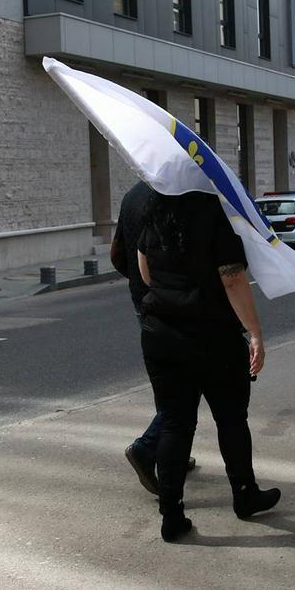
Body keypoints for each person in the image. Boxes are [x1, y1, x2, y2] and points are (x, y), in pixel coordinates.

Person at [135, 190, 280, 542]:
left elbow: (144, 269)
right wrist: (255, 332)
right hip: (213, 334)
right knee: (231, 418)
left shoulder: (153, 206)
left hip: (161, 332)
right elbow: (231, 278)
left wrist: (173, 297)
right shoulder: (214, 209)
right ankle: (245, 493)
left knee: (174, 422)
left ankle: (172, 514)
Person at [110, 180, 195, 494]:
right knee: (186, 384)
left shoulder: (132, 194)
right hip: (173, 301)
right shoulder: (176, 192)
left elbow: (117, 252)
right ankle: (148, 447)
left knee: (166, 379)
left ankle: (173, 450)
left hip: (142, 301)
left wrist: (136, 280)